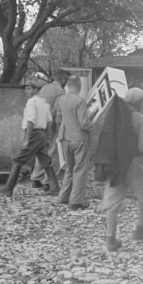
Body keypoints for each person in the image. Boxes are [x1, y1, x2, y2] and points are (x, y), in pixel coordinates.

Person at [99, 87, 143, 252]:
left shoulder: (112, 117)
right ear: (140, 102)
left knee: (112, 201)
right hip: (133, 163)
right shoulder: (140, 119)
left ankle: (110, 238)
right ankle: (139, 229)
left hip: (114, 163)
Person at [0, 78, 59, 197]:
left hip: (33, 134)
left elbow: (30, 121)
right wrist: (48, 138)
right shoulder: (44, 103)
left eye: (29, 88)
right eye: (25, 89)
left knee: (18, 161)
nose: (26, 91)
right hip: (42, 135)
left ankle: (8, 188)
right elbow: (49, 121)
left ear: (36, 90)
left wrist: (26, 139)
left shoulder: (31, 102)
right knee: (46, 162)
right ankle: (55, 187)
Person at [56, 75, 94, 210]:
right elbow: (84, 123)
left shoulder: (61, 99)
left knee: (69, 168)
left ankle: (63, 197)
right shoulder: (80, 100)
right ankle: (76, 201)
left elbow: (59, 120)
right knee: (80, 170)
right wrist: (94, 125)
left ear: (68, 85)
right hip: (79, 138)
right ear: (79, 84)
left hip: (65, 137)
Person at [30, 68, 70, 190]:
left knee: (43, 152)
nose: (66, 82)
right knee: (53, 151)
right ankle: (47, 181)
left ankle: (36, 178)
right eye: (66, 80)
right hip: (51, 124)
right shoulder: (60, 91)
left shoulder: (45, 88)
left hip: (39, 123)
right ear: (63, 79)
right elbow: (59, 112)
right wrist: (62, 126)